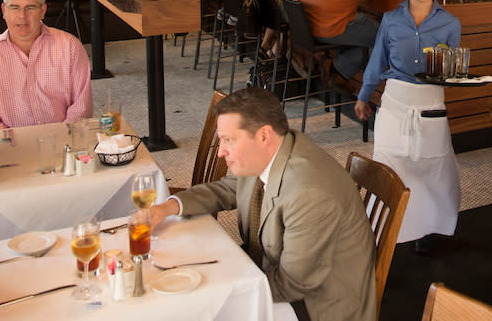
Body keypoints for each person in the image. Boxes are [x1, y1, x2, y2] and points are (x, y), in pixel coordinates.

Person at [148, 88, 376, 321]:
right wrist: (168, 207)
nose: (221, 152)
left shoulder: (309, 194)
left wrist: (219, 293)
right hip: (268, 270)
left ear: (264, 135)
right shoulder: (272, 150)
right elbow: (229, 188)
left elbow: (292, 284)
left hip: (315, 306)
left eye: (228, 140)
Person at [355, 0, 461, 251]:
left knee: (431, 167)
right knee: (389, 164)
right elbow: (377, 61)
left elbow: (452, 71)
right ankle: (385, 227)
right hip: (395, 102)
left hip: (430, 103)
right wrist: (363, 96)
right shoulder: (390, 21)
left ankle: (427, 228)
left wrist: (451, 73)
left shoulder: (450, 23)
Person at [0, 0, 92, 130]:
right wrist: (10, 141)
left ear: (42, 11)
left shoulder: (70, 46)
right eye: (14, 7)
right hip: (5, 142)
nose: (22, 16)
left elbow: (81, 107)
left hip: (63, 139)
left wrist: (61, 137)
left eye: (30, 8)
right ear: (4, 11)